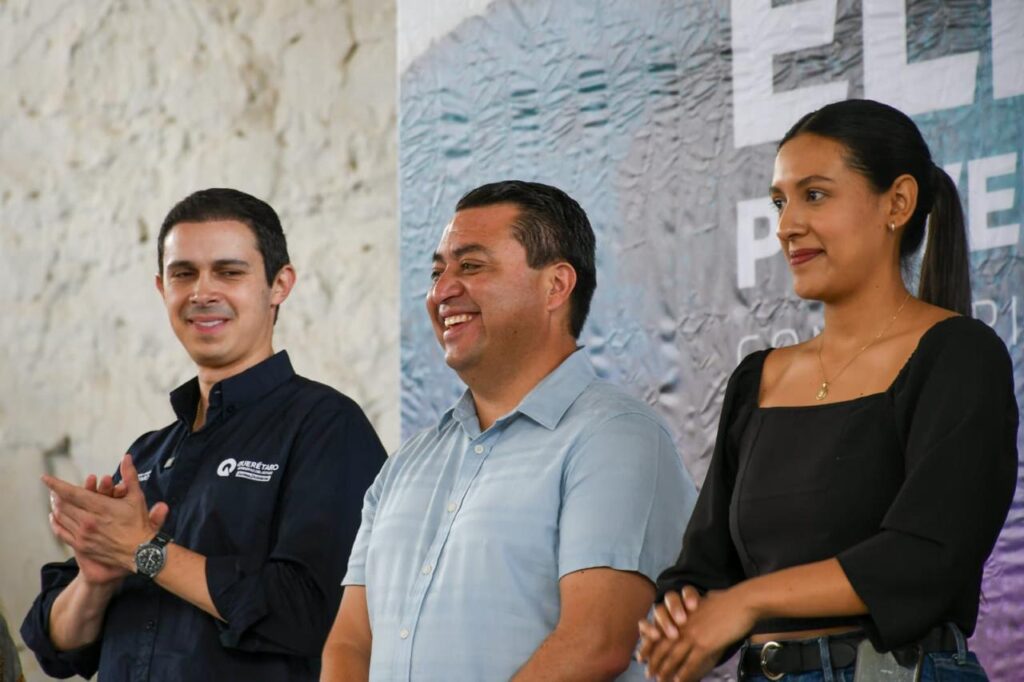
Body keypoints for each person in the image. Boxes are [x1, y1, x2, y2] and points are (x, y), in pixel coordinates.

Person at [638, 99, 1018, 682]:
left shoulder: (959, 354)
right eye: (779, 202)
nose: (786, 225)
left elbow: (925, 553)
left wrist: (748, 601)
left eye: (814, 195)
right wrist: (681, 615)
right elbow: (704, 567)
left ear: (898, 203)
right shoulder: (756, 379)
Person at [321, 180, 697, 681]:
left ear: (556, 286)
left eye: (471, 266)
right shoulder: (406, 464)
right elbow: (350, 644)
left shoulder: (616, 438)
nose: (440, 291)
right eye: (436, 271)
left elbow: (596, 642)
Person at [21, 188, 387, 681]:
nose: (202, 292)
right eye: (183, 274)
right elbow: (55, 647)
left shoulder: (326, 425)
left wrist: (147, 553)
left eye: (229, 272)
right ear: (162, 289)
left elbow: (314, 613)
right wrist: (96, 579)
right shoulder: (147, 453)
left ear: (279, 285)